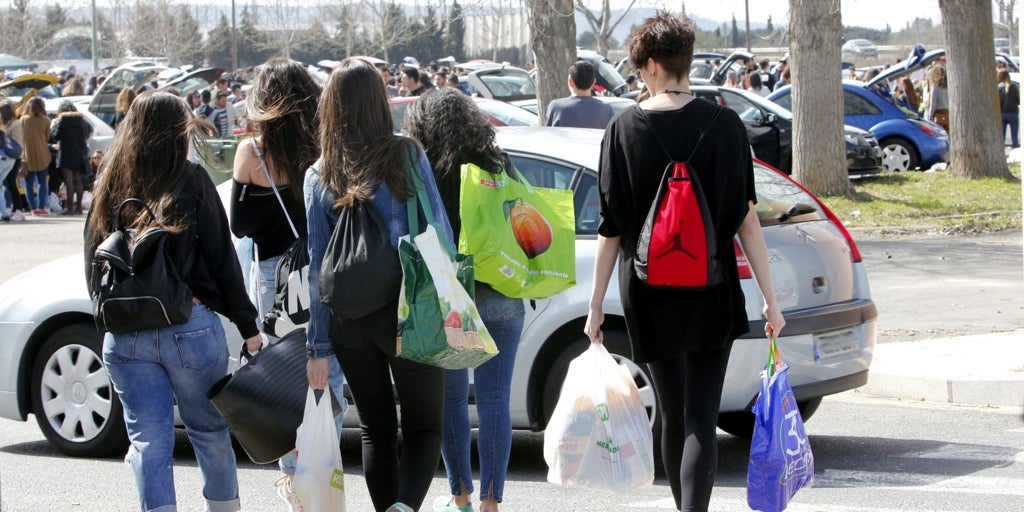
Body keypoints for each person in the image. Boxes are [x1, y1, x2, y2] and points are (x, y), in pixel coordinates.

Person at [584, 12, 785, 512]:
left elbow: (611, 230)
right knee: (701, 415)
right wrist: (771, 300)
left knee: (671, 411)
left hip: (647, 293)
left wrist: (594, 308)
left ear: (650, 66)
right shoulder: (726, 126)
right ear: (684, 62)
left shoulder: (623, 128)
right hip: (712, 286)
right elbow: (747, 221)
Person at [84, 91, 262, 512]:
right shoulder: (191, 179)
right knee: (208, 430)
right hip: (188, 325)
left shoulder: (109, 183)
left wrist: (107, 316)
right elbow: (221, 259)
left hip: (125, 333)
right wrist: (248, 326)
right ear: (177, 130)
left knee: (148, 439)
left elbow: (93, 261)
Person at [305, 57, 451, 512]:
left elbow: (317, 269)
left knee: (375, 429)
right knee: (425, 427)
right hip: (408, 312)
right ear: (379, 102)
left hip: (349, 320)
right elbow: (439, 234)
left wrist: (317, 348)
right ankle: (405, 508)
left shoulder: (318, 173)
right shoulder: (406, 154)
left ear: (331, 107)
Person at [228, 57, 349, 510]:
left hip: (274, 280)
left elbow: (240, 226)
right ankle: (321, 482)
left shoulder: (252, 153)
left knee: (281, 377)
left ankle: (294, 484)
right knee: (326, 378)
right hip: (324, 275)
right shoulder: (327, 147)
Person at [403, 88, 526, 512]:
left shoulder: (422, 170)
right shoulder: (496, 162)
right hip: (501, 292)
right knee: (495, 402)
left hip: (450, 296)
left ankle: (461, 498)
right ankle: (493, 503)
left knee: (451, 400)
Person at [51, 100, 92, 215]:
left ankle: (69, 207)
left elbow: (55, 136)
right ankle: (78, 207)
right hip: (80, 152)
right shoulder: (81, 119)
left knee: (69, 180)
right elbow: (89, 131)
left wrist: (54, 125)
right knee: (78, 179)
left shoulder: (62, 120)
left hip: (66, 152)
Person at [545, 61, 615, 129]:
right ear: (593, 82)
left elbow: (549, 135)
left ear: (570, 81)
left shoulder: (556, 107)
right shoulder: (605, 109)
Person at [20, 97, 51, 215]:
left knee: (28, 183)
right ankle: (41, 207)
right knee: (42, 183)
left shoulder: (23, 120)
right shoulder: (46, 120)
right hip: (43, 154)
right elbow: (47, 137)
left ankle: (32, 208)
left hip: (27, 154)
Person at [0, 100, 28, 220]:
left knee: (11, 183)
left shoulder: (15, 125)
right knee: (8, 183)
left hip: (13, 156)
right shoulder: (11, 123)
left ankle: (17, 208)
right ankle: (10, 208)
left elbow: (17, 142)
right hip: (12, 156)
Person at [925, 63, 950, 134]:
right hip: (947, 113)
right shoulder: (948, 87)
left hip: (938, 115)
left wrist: (930, 117)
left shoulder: (935, 87)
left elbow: (933, 104)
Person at [999, 69, 1019, 148]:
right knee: (1014, 137)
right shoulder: (1014, 87)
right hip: (1013, 113)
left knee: (1001, 137)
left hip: (1002, 113)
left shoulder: (999, 87)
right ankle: (1015, 150)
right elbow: (1018, 100)